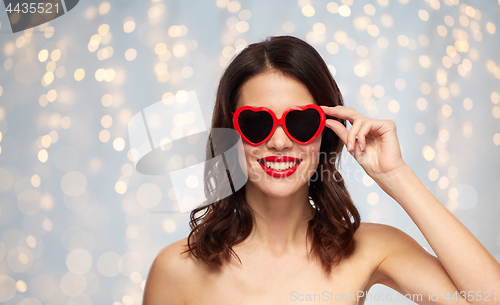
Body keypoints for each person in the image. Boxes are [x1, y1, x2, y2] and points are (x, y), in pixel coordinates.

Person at [143, 35, 500, 304]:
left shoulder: (371, 248)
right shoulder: (176, 268)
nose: (280, 142)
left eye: (299, 122)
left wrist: (396, 176)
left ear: (325, 133)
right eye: (257, 123)